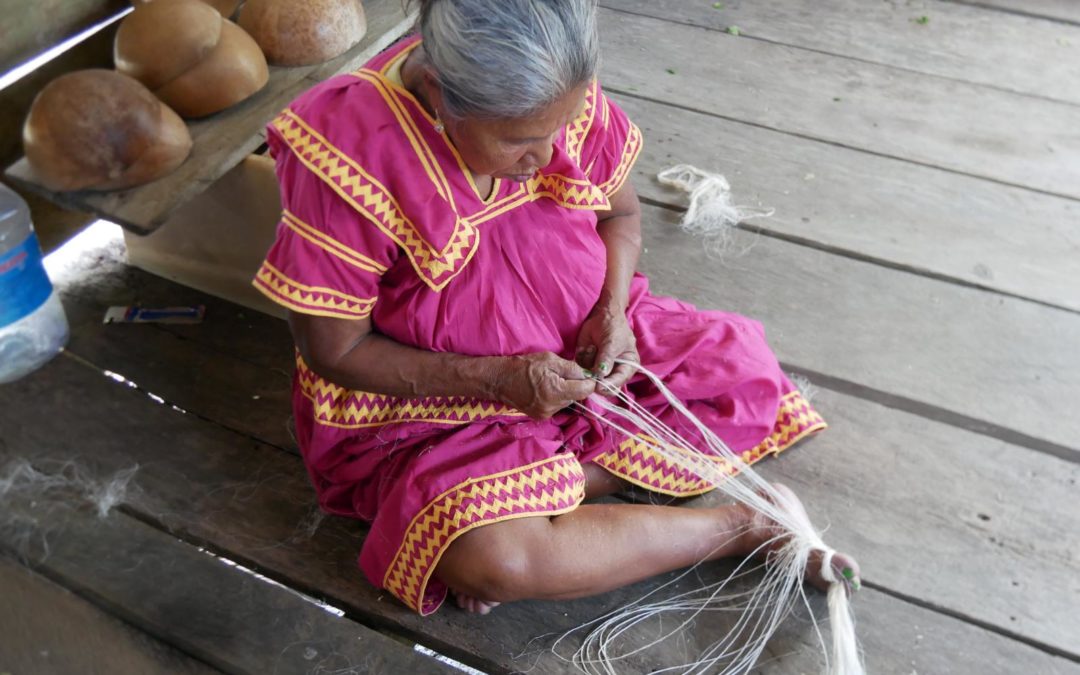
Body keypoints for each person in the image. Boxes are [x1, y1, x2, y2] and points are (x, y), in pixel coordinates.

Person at [253, 0, 858, 616]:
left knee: (740, 371)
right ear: (438, 92)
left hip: (582, 349)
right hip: (431, 404)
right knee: (499, 560)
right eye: (518, 141)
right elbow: (336, 350)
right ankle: (747, 527)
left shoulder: (554, 85)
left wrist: (613, 311)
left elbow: (620, 215)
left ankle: (544, 489)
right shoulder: (345, 149)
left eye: (555, 131)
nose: (547, 158)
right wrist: (495, 379)